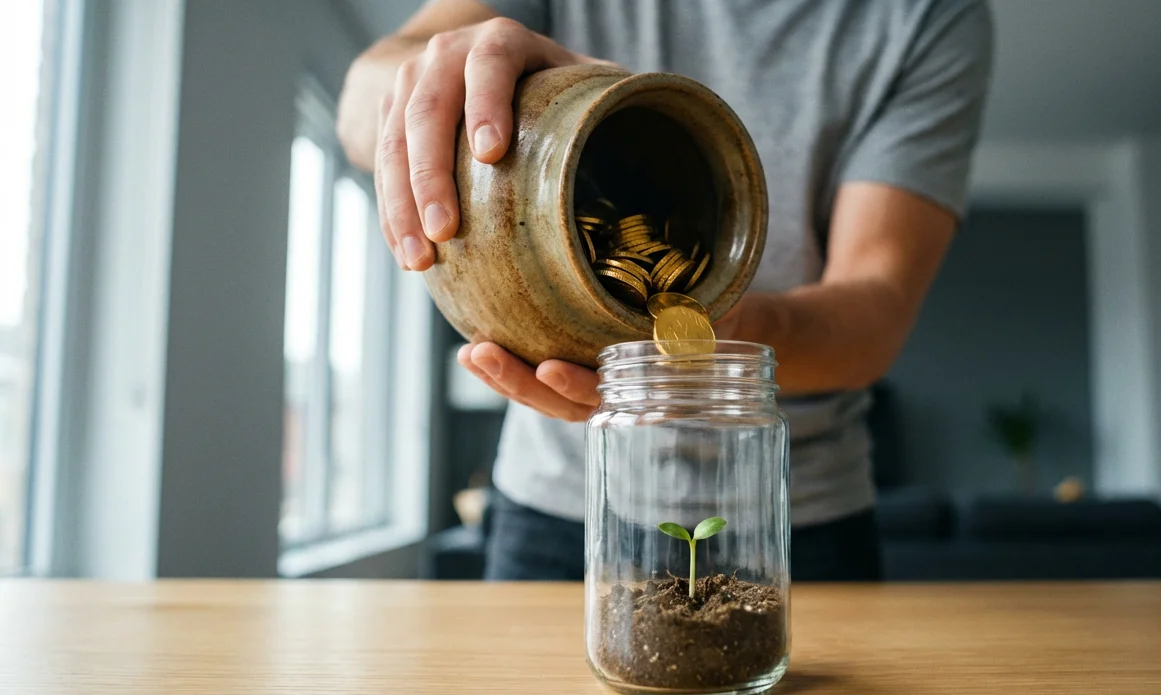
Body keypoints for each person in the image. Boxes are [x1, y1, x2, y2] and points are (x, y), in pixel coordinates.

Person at [338, 0, 993, 581]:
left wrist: (705, 338)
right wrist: (427, 84)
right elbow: (360, 99)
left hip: (793, 513)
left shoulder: (929, 15)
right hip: (564, 500)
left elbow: (873, 313)